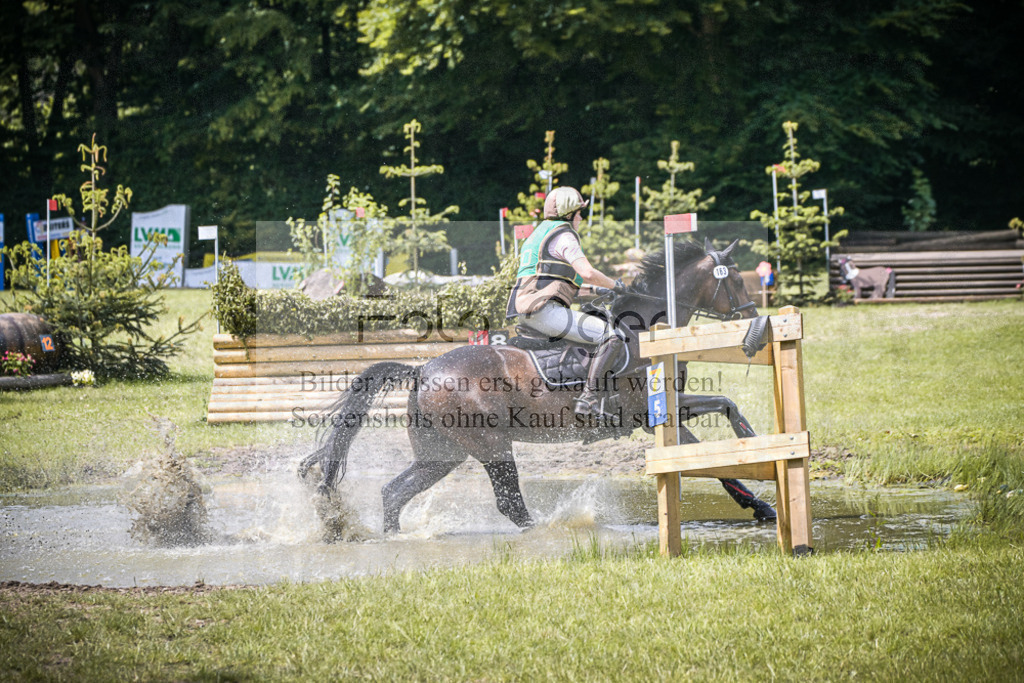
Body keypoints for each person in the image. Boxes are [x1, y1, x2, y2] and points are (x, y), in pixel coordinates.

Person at [505, 186, 626, 416]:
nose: (581, 218)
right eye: (579, 213)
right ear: (569, 214)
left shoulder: (539, 234)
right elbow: (587, 272)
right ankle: (589, 398)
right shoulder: (564, 236)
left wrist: (599, 291)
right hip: (543, 311)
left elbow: (557, 284)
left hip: (528, 309)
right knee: (610, 336)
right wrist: (616, 285)